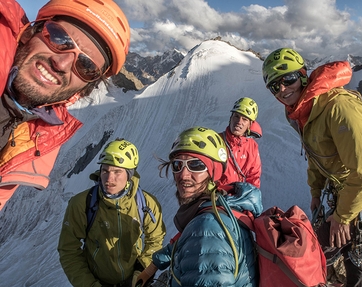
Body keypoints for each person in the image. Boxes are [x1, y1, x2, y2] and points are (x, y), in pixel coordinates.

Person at [262, 48, 362, 287]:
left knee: (331, 247)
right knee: (343, 246)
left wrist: (342, 217)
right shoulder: (304, 111)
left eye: (287, 79)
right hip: (343, 188)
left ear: (303, 76)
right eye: (274, 86)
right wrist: (315, 191)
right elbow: (316, 154)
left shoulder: (338, 108)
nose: (282, 89)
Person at [0, 0, 130, 209]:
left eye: (86, 66)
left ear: (83, 90)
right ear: (30, 32)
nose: (61, 64)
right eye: (59, 38)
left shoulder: (30, 136)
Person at [136, 126, 262, 287]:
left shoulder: (206, 227)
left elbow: (204, 242)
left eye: (195, 165)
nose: (183, 174)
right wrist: (154, 265)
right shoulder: (221, 205)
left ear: (214, 172)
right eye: (177, 165)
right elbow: (184, 243)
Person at [58, 139, 166, 287]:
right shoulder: (81, 204)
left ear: (129, 174)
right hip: (97, 281)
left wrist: (140, 273)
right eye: (105, 171)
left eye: (117, 172)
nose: (109, 179)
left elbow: (155, 240)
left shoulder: (146, 204)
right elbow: (69, 250)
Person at [218, 97, 262, 188]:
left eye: (244, 119)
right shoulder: (217, 141)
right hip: (217, 197)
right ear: (231, 118)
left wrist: (250, 197)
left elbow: (254, 176)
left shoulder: (252, 146)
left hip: (238, 197)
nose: (239, 122)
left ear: (250, 124)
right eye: (236, 116)